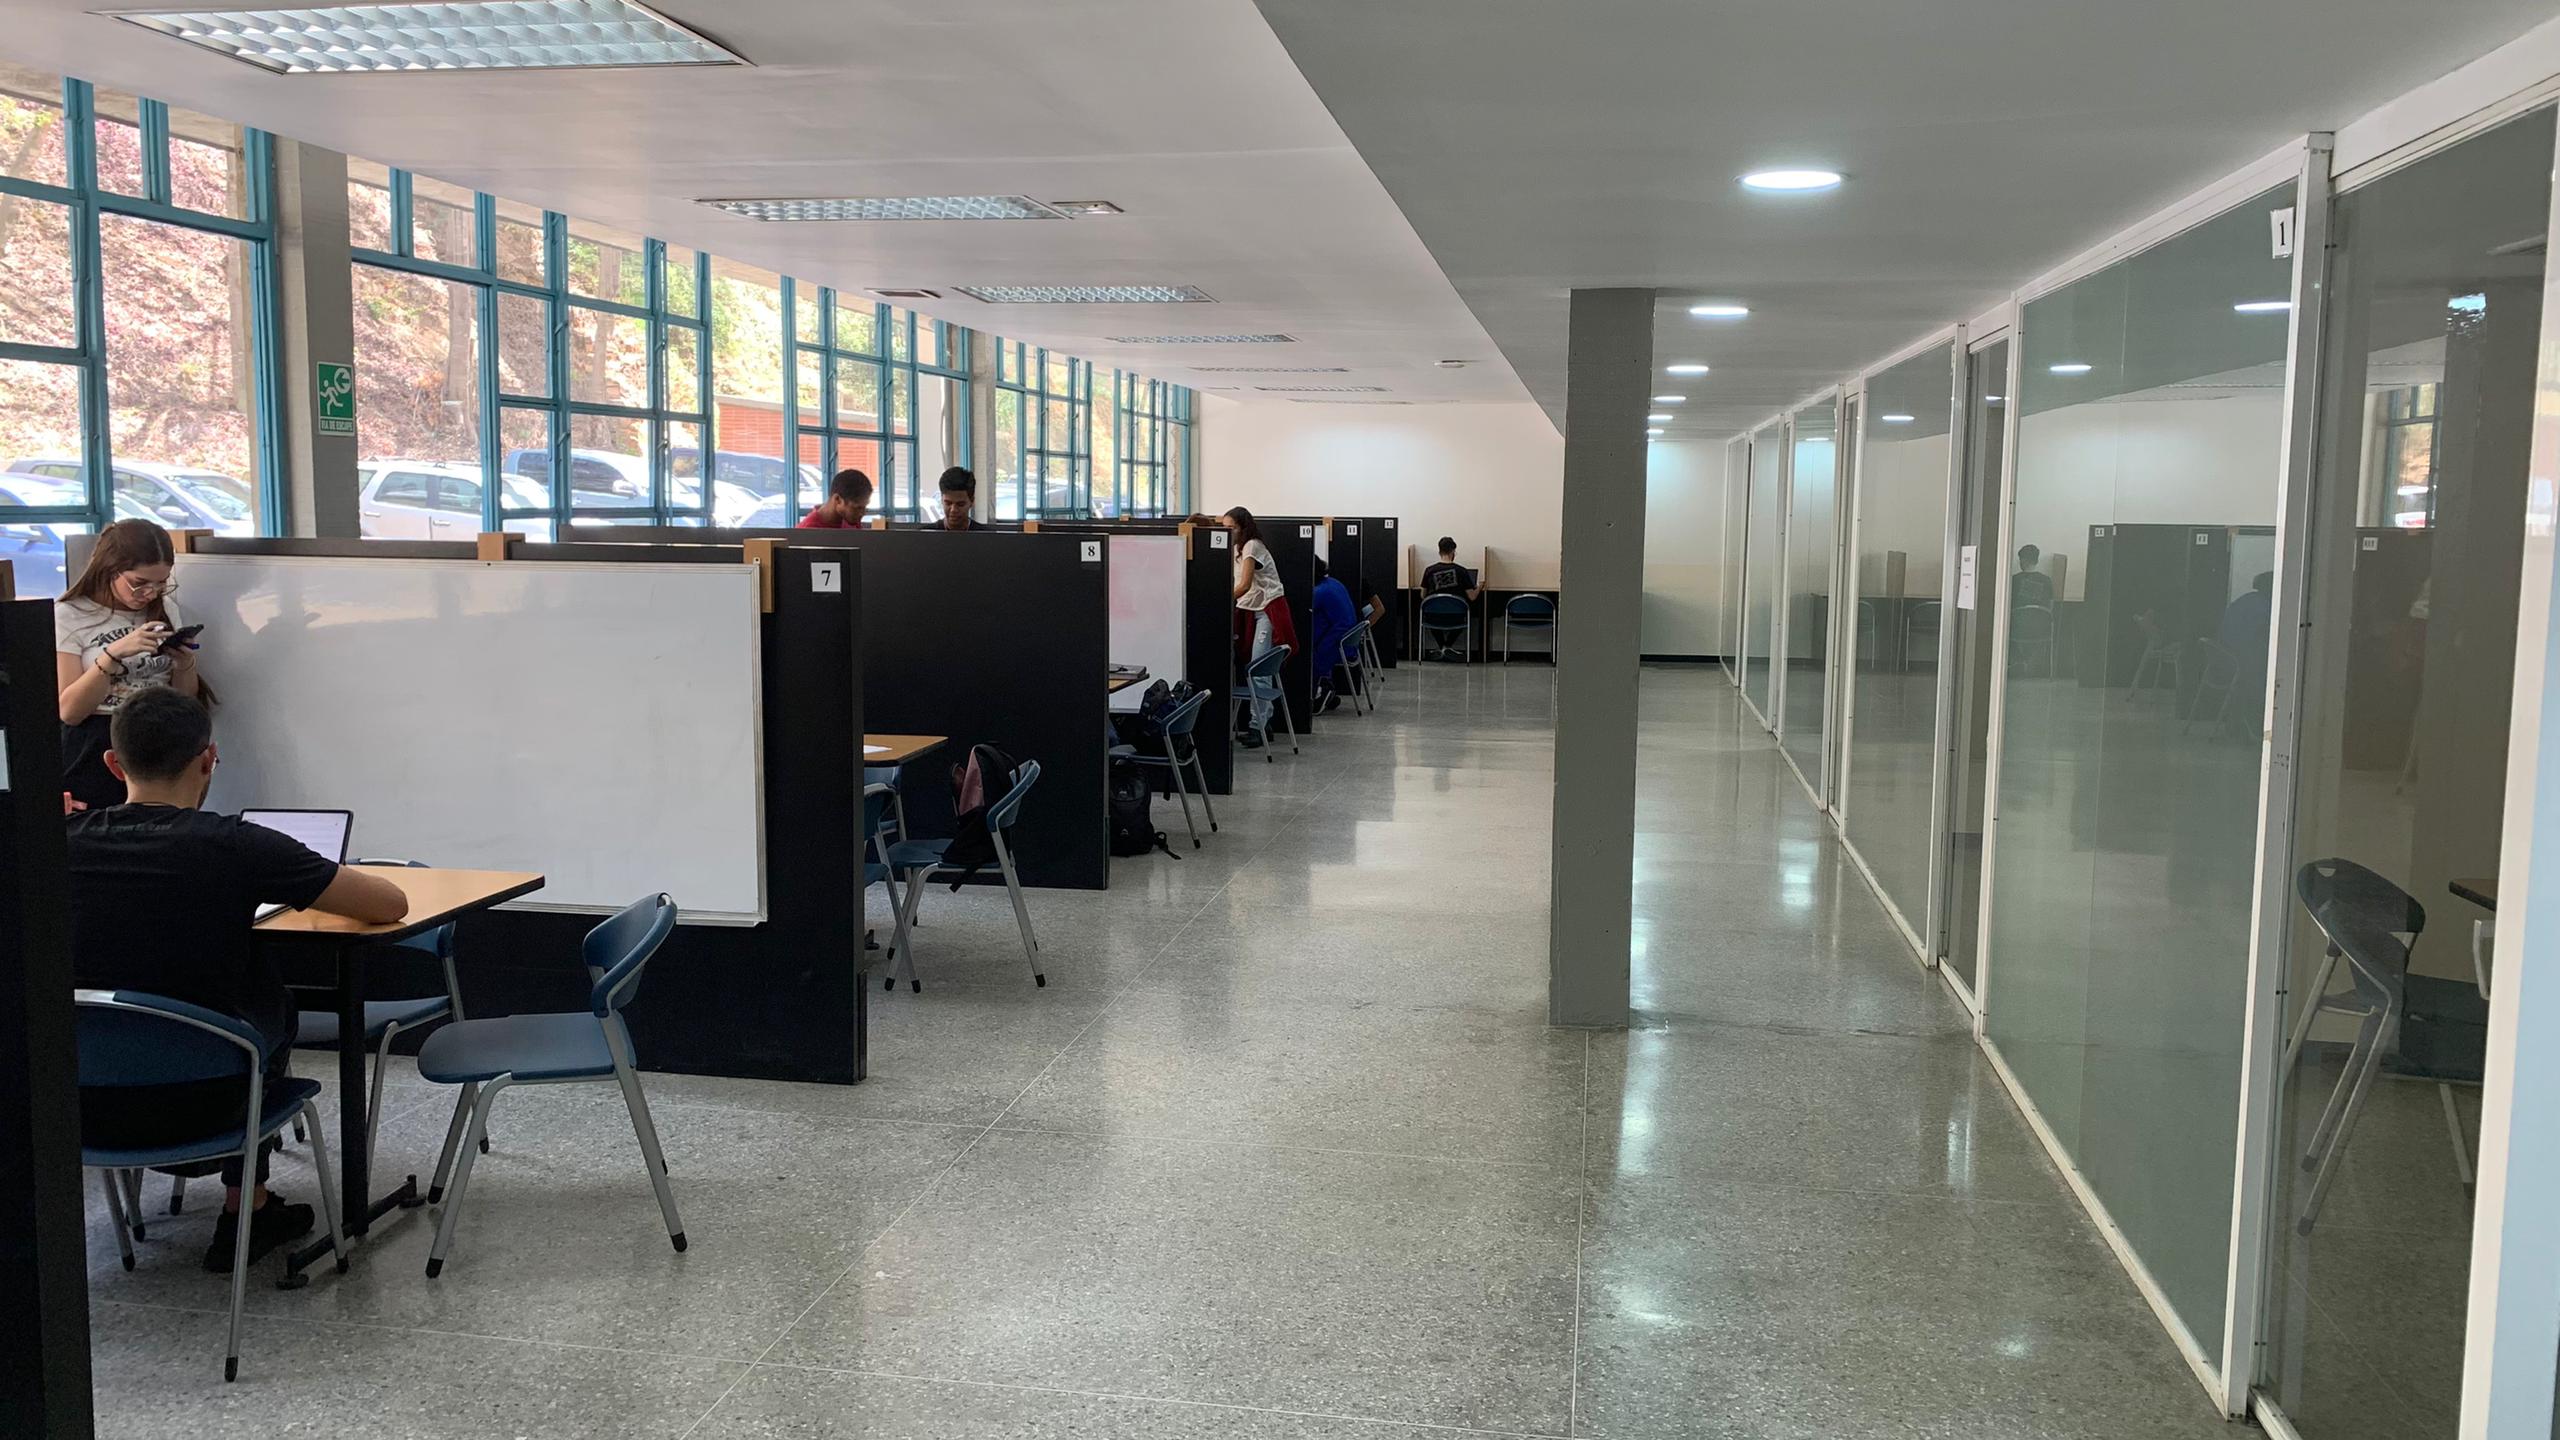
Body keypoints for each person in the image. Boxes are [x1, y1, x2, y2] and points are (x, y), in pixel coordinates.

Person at [66, 688, 409, 1270]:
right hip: (214, 1104)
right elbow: (388, 903)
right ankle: (244, 1208)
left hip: (81, 1110)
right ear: (209, 759)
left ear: (112, 764)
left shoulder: (54, 845)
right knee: (262, 1006)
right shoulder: (238, 845)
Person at [56, 518, 207, 812]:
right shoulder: (70, 615)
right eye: (139, 584)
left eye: (161, 583)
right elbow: (70, 711)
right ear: (110, 569)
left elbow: (183, 699)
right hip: (97, 740)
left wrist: (185, 664)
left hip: (159, 738)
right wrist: (112, 655)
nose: (150, 593)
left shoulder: (166, 608)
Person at [1222, 506, 1296, 746]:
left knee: (1259, 669)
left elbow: (1244, 585)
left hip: (1267, 611)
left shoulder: (1252, 546)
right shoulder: (1236, 548)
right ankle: (1264, 722)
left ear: (1243, 527)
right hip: (1251, 610)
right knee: (1254, 666)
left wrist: (1220, 599)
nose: (1227, 532)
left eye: (1231, 528)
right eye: (1224, 528)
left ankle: (1258, 725)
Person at [1309, 557, 1359, 713]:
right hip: (1349, 641)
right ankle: (1326, 691)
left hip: (1337, 643)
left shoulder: (1318, 592)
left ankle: (1323, 690)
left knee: (1306, 653)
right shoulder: (1334, 583)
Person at [1418, 536, 1478, 661]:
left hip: (1433, 617)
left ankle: (1442, 647)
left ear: (1439, 551)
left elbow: (1423, 596)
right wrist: (1480, 586)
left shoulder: (1429, 570)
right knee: (1466, 615)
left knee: (1428, 615)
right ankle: (1447, 646)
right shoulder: (1461, 571)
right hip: (1456, 617)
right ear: (1453, 552)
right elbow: (1472, 597)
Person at [797, 468, 873, 529]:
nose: (862, 513)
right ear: (838, 499)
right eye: (858, 508)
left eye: (865, 508)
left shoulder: (850, 519)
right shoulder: (809, 530)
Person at [932, 466, 994, 531]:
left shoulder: (987, 535)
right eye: (948, 503)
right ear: (941, 500)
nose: (953, 510)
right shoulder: (926, 533)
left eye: (960, 504)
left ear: (972, 501)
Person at [2011, 544, 2056, 611]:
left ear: (2023, 560)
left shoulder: (2014, 580)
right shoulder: (2047, 580)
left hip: (2020, 617)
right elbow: (2050, 608)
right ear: (2037, 561)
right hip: (2040, 617)